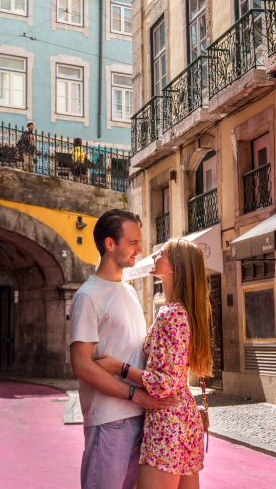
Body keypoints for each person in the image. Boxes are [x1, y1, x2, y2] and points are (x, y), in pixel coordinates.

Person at [69, 209, 178, 489]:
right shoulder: (87, 296)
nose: (139, 249)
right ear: (110, 244)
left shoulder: (129, 291)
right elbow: (81, 365)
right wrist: (135, 394)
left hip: (142, 418)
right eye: (132, 243)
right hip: (109, 422)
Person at [96, 238, 213, 489]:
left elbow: (164, 383)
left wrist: (120, 368)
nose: (154, 256)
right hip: (185, 418)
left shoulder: (171, 314)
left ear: (173, 268)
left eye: (161, 254)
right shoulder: (185, 312)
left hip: (166, 423)